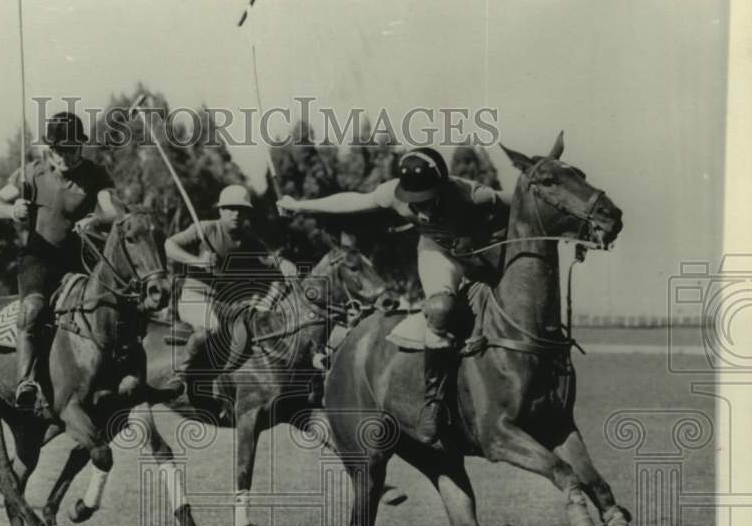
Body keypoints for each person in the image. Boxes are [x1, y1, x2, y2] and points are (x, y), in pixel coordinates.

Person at [277, 147, 510, 443]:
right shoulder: (392, 193)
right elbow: (353, 201)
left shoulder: (474, 194)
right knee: (439, 309)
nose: (421, 211)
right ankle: (433, 403)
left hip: (483, 250)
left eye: (427, 200)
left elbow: (519, 201)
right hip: (439, 251)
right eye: (415, 202)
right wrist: (300, 205)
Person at [0, 111, 122, 409]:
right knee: (33, 309)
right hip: (39, 260)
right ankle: (26, 381)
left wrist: (96, 220)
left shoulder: (95, 174)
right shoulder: (32, 172)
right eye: (58, 150)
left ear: (81, 146)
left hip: (81, 261)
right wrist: (12, 211)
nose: (64, 157)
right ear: (50, 149)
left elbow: (113, 212)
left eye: (71, 149)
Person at [164, 184, 298, 395]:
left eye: (241, 210)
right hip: (196, 297)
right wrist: (197, 262)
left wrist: (284, 263)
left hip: (227, 305)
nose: (236, 214)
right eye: (231, 209)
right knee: (211, 328)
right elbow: (169, 246)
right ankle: (180, 375)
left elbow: (272, 259)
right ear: (221, 210)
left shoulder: (249, 240)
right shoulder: (206, 228)